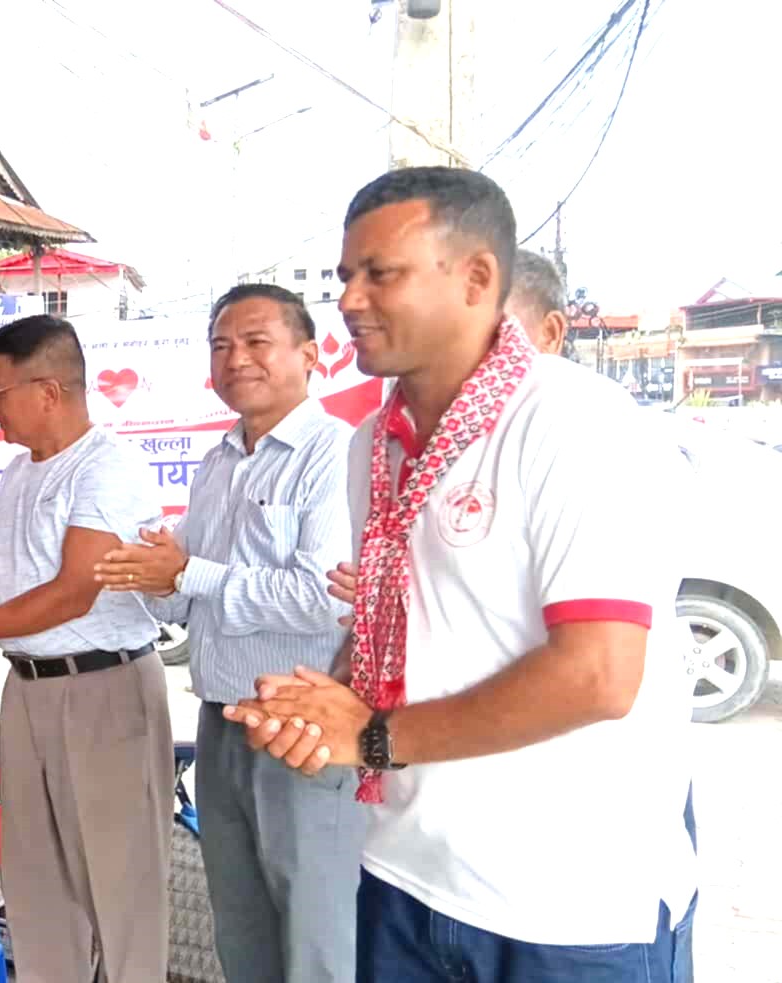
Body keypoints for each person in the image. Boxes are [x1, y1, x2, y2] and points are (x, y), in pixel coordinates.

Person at [229, 167, 694, 982]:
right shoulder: (373, 443)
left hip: (566, 903)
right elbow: (411, 632)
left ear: (477, 278)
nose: (350, 300)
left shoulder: (574, 422)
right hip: (406, 872)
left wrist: (374, 735)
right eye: (345, 275)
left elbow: (598, 675)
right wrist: (322, 709)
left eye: (381, 273)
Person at [0, 315, 173, 983]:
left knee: (121, 890)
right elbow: (9, 580)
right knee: (38, 886)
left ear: (48, 391)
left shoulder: (107, 467)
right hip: (28, 690)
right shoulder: (20, 471)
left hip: (104, 690)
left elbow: (72, 592)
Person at [93, 283, 362, 983]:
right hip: (221, 721)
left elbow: (321, 600)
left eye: (256, 342)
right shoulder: (218, 463)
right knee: (239, 928)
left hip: (303, 727)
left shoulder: (334, 454)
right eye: (221, 345)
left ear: (310, 356)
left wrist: (187, 571)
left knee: (316, 935)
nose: (236, 358)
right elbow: (188, 601)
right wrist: (154, 578)